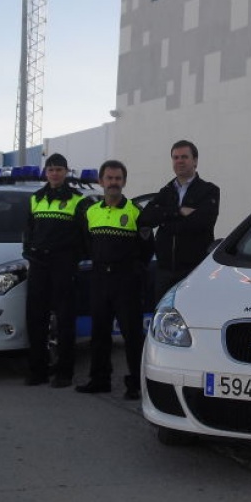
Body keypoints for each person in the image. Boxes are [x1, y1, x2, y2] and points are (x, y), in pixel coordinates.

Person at [77, 160, 154, 400]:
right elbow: (87, 244)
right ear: (101, 182)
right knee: (99, 333)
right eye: (109, 178)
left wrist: (133, 271)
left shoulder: (135, 212)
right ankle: (100, 380)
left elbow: (146, 248)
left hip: (126, 280)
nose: (113, 183)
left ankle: (136, 384)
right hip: (100, 278)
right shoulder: (91, 212)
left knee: (132, 335)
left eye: (118, 178)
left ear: (124, 182)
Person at [22, 153, 92, 387]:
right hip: (39, 265)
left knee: (65, 320)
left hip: (63, 265)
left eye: (59, 169)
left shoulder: (78, 200)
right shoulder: (36, 199)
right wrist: (29, 252)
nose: (55, 173)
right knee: (36, 319)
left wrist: (73, 258)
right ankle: (38, 371)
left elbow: (86, 236)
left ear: (66, 172)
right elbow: (28, 231)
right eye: (51, 169)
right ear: (46, 172)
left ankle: (64, 373)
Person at [137, 139, 220, 305]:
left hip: (193, 270)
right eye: (175, 157)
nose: (179, 161)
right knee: (161, 317)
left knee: (192, 314)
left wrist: (164, 219)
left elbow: (202, 222)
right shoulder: (166, 191)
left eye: (184, 157)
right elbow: (144, 218)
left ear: (195, 161)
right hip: (165, 271)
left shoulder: (209, 190)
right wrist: (178, 211)